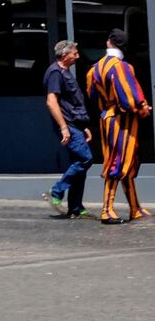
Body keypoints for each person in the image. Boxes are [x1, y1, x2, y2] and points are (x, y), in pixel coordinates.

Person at [86, 28, 152, 224]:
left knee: (124, 162)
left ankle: (134, 207)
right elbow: (128, 96)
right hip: (122, 119)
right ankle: (107, 209)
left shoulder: (94, 68)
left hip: (106, 116)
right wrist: (142, 107)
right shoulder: (122, 67)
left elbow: (92, 95)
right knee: (117, 162)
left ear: (108, 43)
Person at [42, 40, 94, 219]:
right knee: (86, 159)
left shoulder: (65, 72)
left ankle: (76, 207)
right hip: (68, 126)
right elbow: (51, 102)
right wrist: (64, 128)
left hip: (75, 125)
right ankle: (56, 192)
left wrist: (83, 126)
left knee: (79, 163)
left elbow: (73, 102)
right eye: (75, 53)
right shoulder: (55, 73)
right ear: (65, 55)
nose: (78, 56)